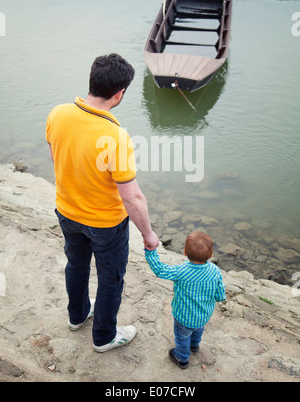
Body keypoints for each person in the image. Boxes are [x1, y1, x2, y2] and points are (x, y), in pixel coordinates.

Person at [46, 53, 159, 353]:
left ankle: (77, 315)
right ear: (120, 93)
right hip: (105, 224)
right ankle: (104, 336)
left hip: (67, 212)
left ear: (92, 81)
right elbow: (132, 197)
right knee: (110, 279)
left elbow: (55, 156)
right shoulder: (116, 136)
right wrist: (149, 235)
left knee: (77, 266)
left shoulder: (57, 114)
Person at [144, 231, 226, 369]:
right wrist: (219, 297)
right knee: (198, 330)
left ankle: (182, 358)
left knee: (182, 338)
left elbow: (160, 270)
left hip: (183, 317)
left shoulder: (182, 271)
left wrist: (150, 251)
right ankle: (194, 346)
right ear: (211, 255)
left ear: (184, 253)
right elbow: (220, 291)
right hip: (203, 315)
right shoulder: (215, 271)